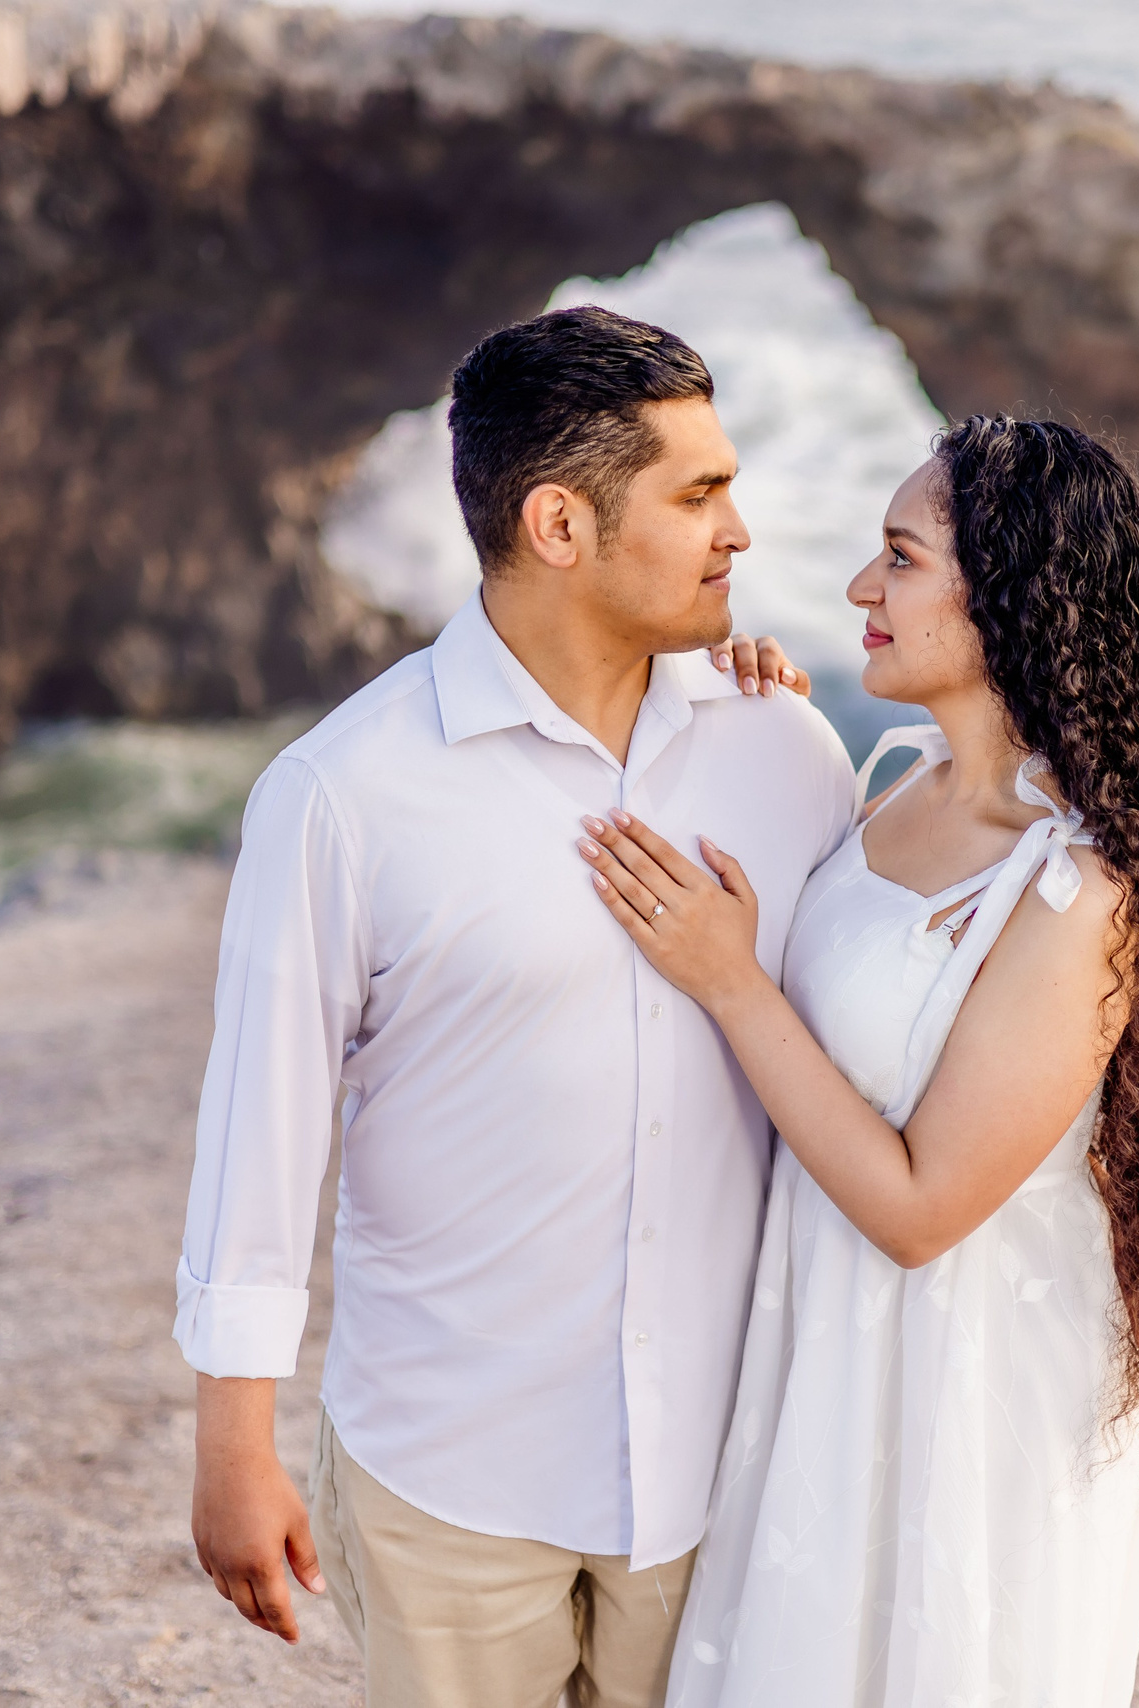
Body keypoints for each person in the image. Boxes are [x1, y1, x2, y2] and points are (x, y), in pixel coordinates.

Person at [174, 305, 853, 1708]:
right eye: (700, 494)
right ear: (560, 524)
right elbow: (264, 1130)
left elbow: (855, 1039)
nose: (741, 532)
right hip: (453, 1474)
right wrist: (234, 1446)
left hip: (726, 1466)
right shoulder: (342, 793)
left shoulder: (783, 744)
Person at [574, 415, 1139, 1706]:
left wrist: (728, 981)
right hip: (828, 1347)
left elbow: (921, 1208)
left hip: (968, 1389)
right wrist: (740, 714)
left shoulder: (1075, 888)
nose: (857, 589)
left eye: (899, 558)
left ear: (1008, 596)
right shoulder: (897, 787)